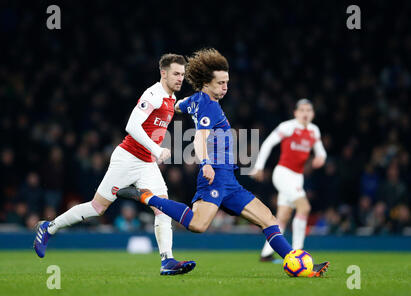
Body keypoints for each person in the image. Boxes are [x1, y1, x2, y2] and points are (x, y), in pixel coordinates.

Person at [116, 48, 329, 277]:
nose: (225, 87)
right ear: (207, 83)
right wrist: (205, 162)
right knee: (198, 225)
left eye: (227, 82)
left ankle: (297, 264)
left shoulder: (197, 99)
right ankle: (145, 196)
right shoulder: (207, 104)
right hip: (215, 176)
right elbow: (200, 136)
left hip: (230, 180)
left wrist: (174, 105)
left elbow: (179, 105)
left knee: (268, 219)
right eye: (220, 83)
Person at [33, 54, 196, 276]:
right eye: (176, 74)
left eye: (183, 75)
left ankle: (167, 260)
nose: (180, 78)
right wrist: (157, 149)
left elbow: (171, 111)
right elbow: (132, 125)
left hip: (146, 163)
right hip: (128, 159)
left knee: (163, 208)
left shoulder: (170, 98)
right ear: (163, 73)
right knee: (97, 208)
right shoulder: (153, 95)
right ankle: (48, 228)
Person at [251, 99, 327, 262]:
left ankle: (266, 254)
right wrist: (259, 166)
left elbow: (321, 152)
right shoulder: (288, 127)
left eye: (308, 110)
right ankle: (298, 252)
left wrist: (321, 158)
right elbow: (268, 143)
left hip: (297, 177)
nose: (305, 113)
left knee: (283, 216)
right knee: (304, 207)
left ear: (312, 114)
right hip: (283, 174)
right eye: (302, 110)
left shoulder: (314, 130)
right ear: (296, 113)